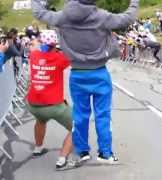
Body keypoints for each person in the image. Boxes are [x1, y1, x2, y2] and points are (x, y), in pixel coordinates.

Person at [32, 0, 139, 164]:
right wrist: (134, 2)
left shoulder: (63, 17)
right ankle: (105, 153)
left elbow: (40, 13)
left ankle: (82, 151)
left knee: (80, 115)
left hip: (77, 74)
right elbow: (127, 18)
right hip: (99, 72)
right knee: (103, 115)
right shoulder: (102, 16)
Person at [26, 30, 73, 170]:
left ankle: (38, 148)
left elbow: (34, 47)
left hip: (33, 104)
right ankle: (62, 158)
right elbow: (71, 54)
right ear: (54, 44)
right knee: (77, 127)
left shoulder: (33, 55)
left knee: (40, 120)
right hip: (54, 106)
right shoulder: (60, 58)